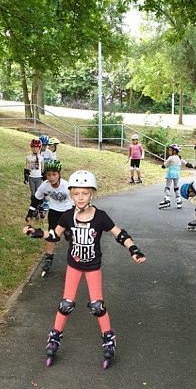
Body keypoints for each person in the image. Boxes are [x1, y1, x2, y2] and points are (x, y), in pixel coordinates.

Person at [24, 169, 146, 368]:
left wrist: (133, 249)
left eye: (85, 193)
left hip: (92, 267)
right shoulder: (67, 216)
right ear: (71, 194)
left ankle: (108, 338)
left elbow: (119, 234)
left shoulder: (100, 217)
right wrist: (36, 233)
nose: (80, 198)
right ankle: (54, 337)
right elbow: (54, 236)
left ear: (92, 194)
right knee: (66, 304)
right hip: (74, 265)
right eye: (76, 193)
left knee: (97, 305)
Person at [25, 159, 73, 276]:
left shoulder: (66, 186)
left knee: (70, 236)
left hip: (68, 211)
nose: (51, 177)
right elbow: (36, 198)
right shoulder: (44, 186)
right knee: (52, 236)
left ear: (59, 174)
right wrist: (30, 213)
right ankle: (48, 258)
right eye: (49, 175)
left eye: (54, 174)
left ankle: (74, 259)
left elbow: (76, 201)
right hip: (54, 211)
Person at [158, 144, 184, 209]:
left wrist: (163, 166)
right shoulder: (179, 157)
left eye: (170, 150)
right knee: (176, 187)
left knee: (167, 187)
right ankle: (179, 201)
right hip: (177, 174)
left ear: (174, 151)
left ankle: (167, 199)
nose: (169, 152)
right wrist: (191, 166)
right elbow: (186, 163)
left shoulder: (171, 157)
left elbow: (165, 165)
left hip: (170, 173)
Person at [25, 138, 45, 205]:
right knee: (33, 194)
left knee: (39, 192)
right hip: (31, 177)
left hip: (39, 177)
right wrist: (26, 178)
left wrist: (44, 178)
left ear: (39, 148)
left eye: (36, 147)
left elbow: (42, 169)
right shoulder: (28, 157)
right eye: (33, 147)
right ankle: (33, 206)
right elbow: (26, 169)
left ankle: (40, 206)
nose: (35, 149)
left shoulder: (41, 158)